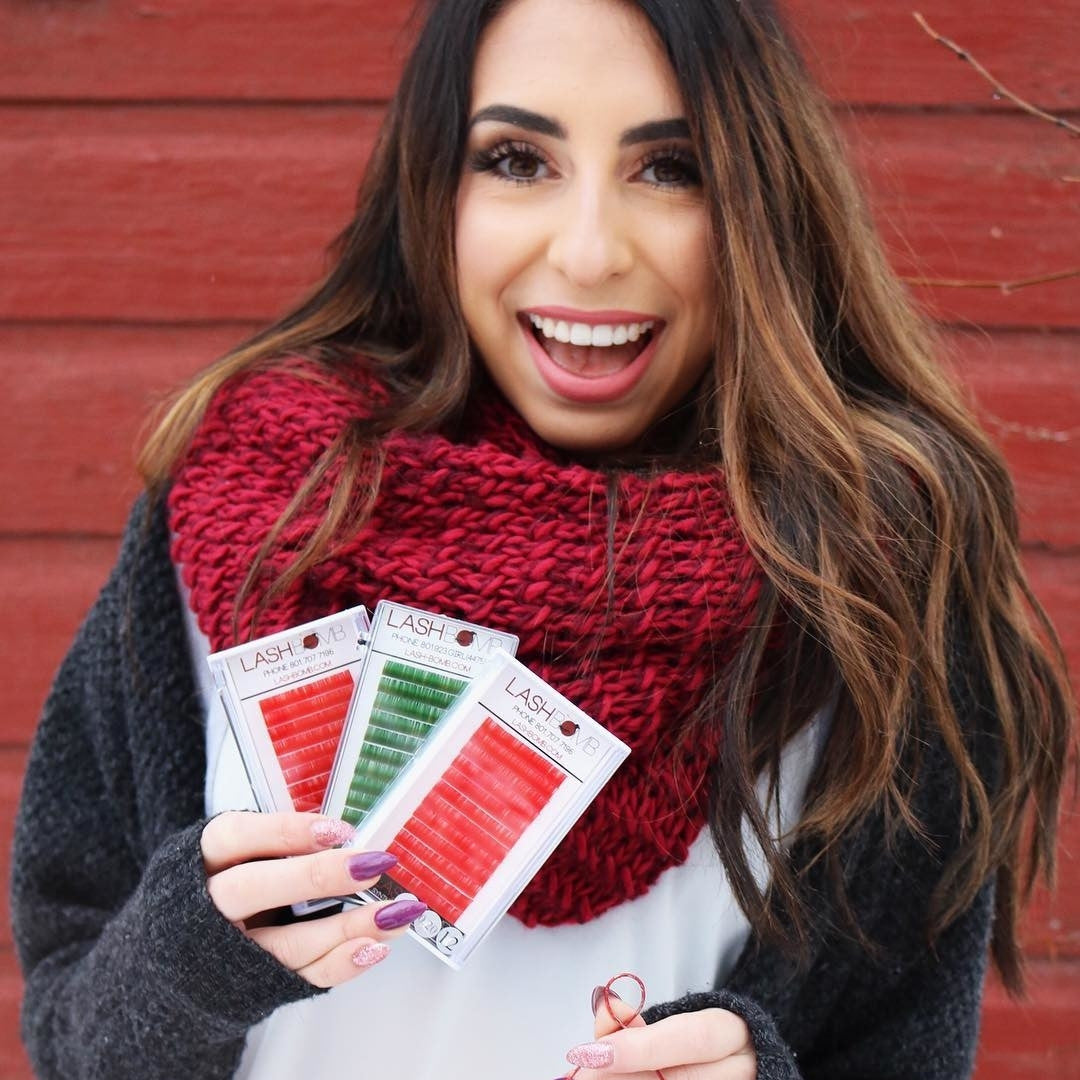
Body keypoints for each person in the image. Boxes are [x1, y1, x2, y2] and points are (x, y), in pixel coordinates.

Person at [11, 0, 1073, 1077]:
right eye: (518, 159)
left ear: (761, 196)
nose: (590, 252)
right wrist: (185, 963)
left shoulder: (869, 587)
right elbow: (68, 1033)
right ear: (436, 191)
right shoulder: (251, 515)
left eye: (672, 168)